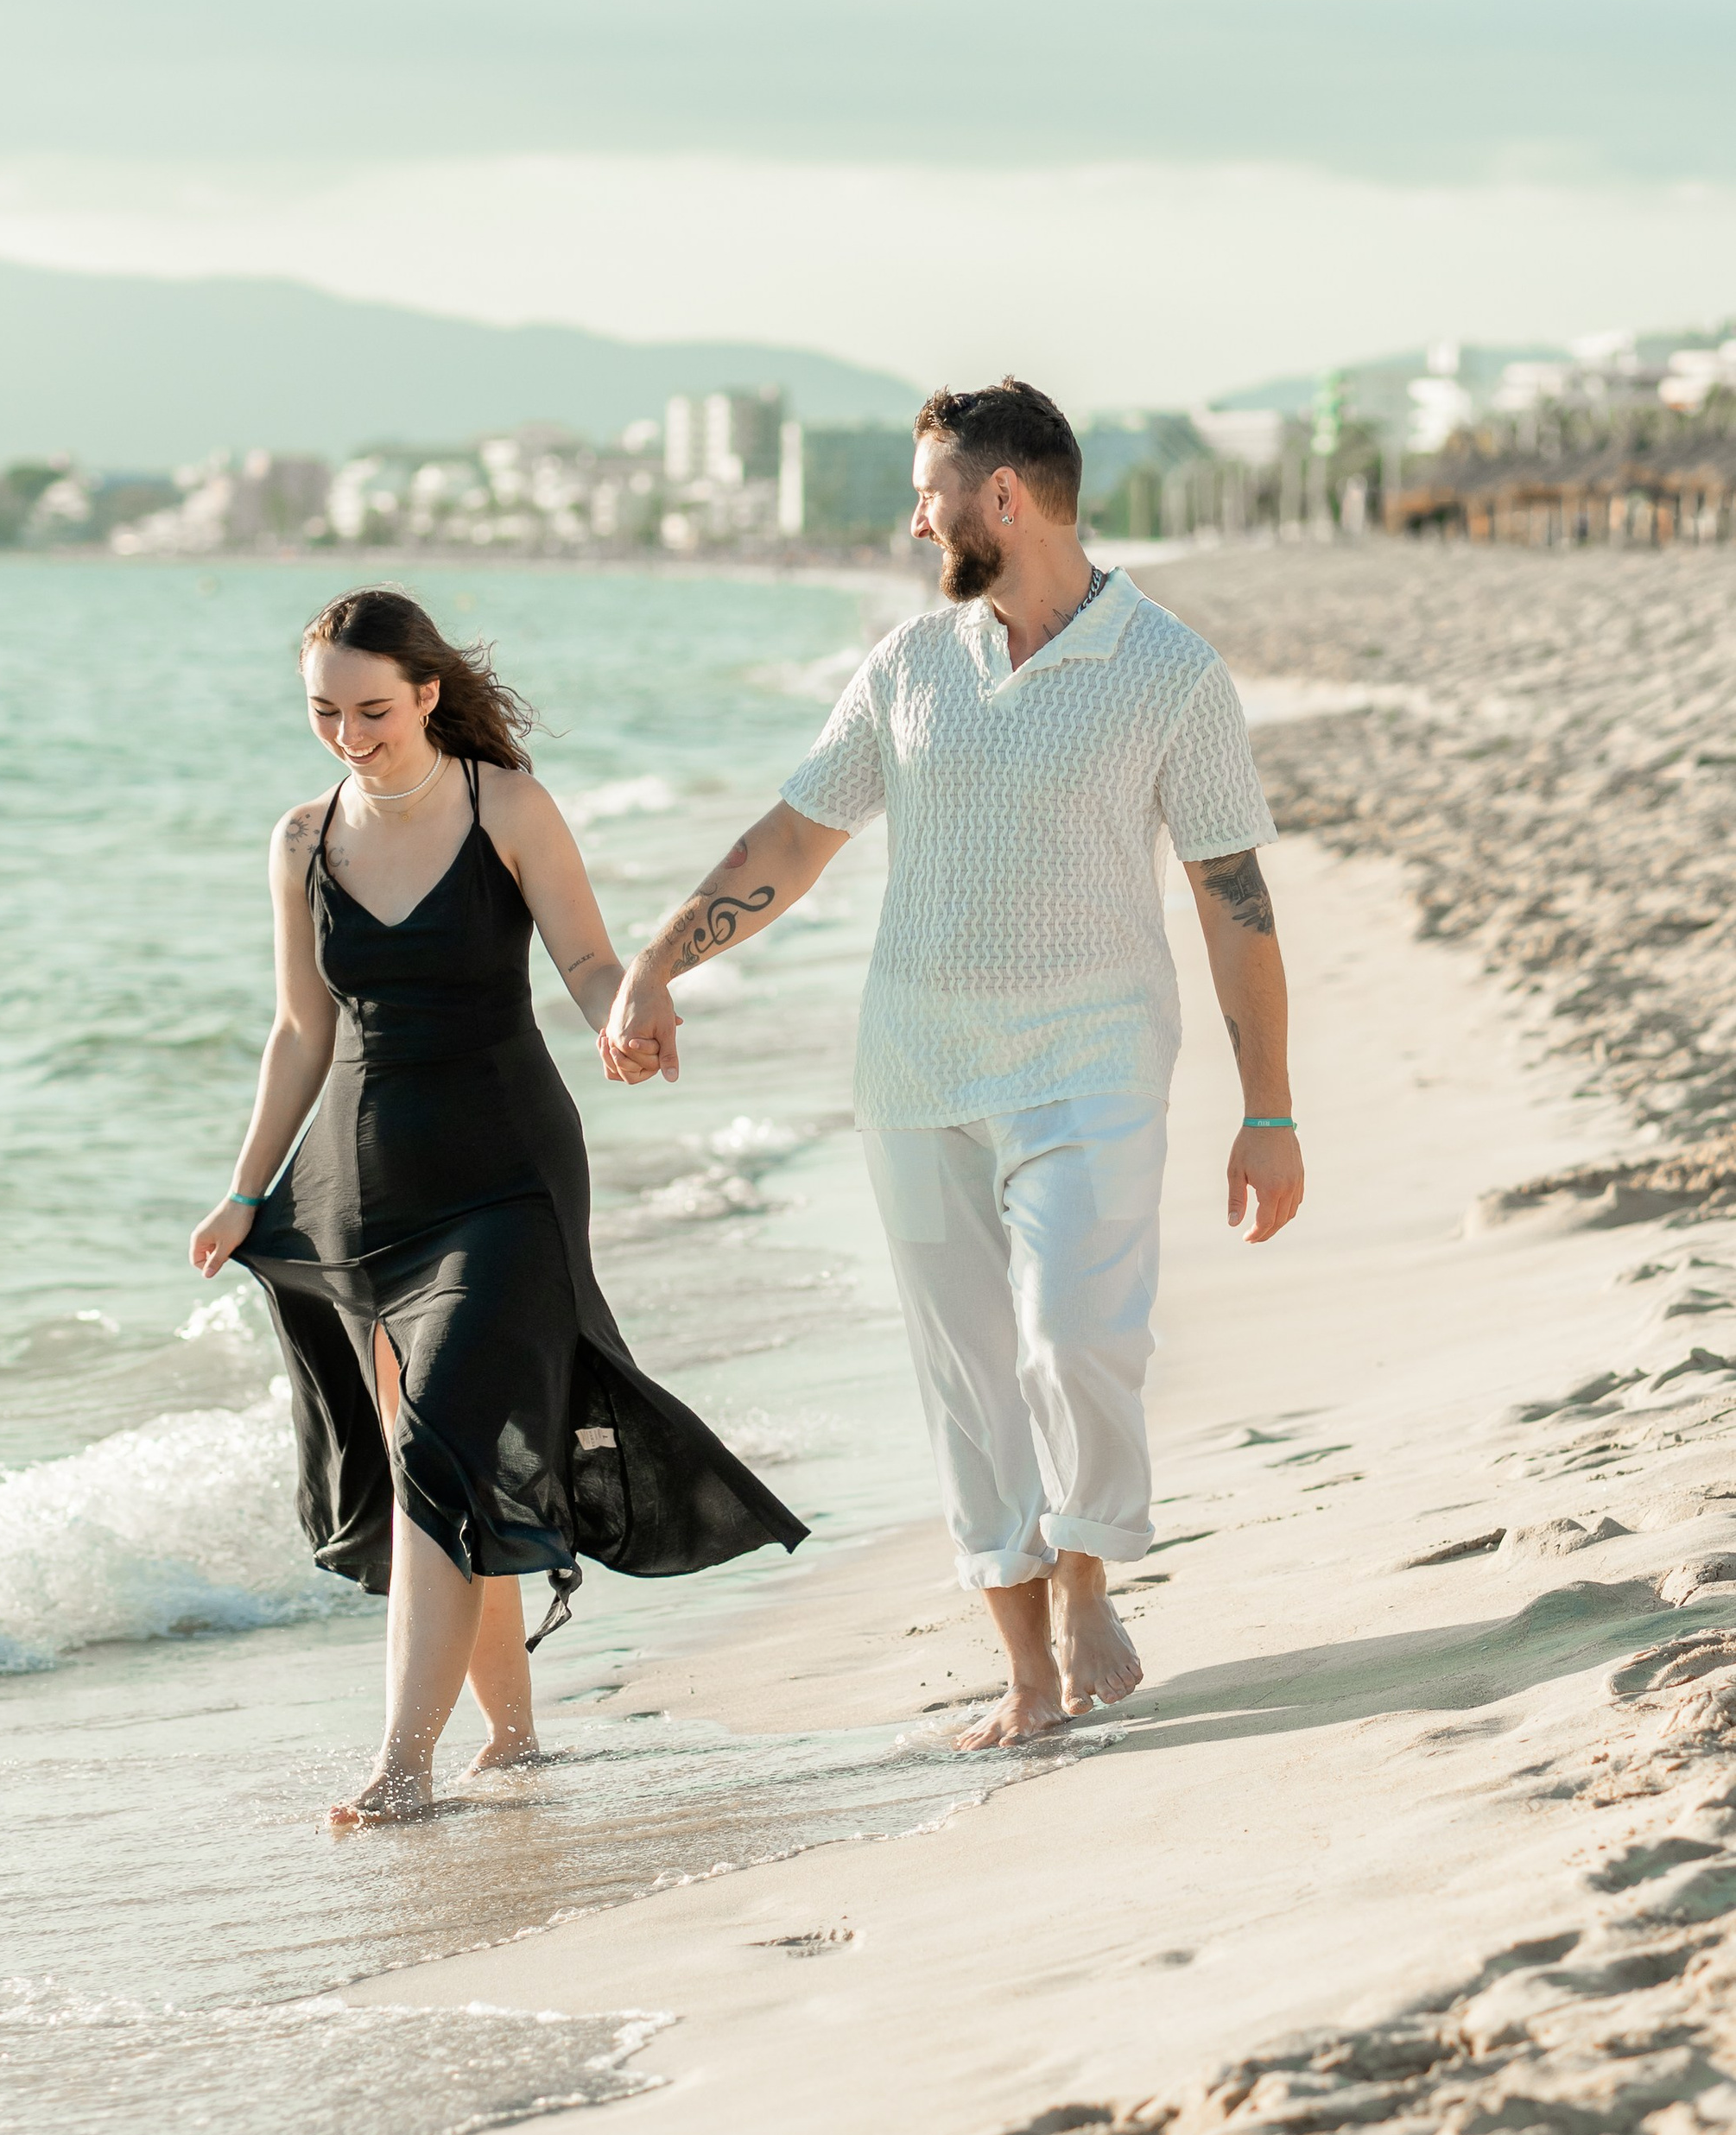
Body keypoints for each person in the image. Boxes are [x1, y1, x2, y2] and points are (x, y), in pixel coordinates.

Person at [602, 380, 1302, 1748]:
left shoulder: (1172, 670)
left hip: (1092, 1060)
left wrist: (1269, 1108)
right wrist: (656, 962)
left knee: (1076, 1335)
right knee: (970, 1379)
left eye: (930, 489)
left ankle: (1087, 1573)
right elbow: (795, 838)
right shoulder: (910, 665)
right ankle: (1024, 1672)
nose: (911, 513)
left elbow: (1234, 896)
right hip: (917, 1074)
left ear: (1004, 497)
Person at [189, 587, 806, 1827]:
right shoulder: (300, 838)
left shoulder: (505, 806)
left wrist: (621, 1014)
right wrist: (249, 1183)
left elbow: (584, 954)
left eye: (372, 708)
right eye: (324, 712)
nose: (350, 736)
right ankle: (514, 1740)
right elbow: (301, 1030)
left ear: (427, 691)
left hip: (508, 1177)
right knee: (452, 1462)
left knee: (436, 1448)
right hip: (358, 1190)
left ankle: (402, 1759)